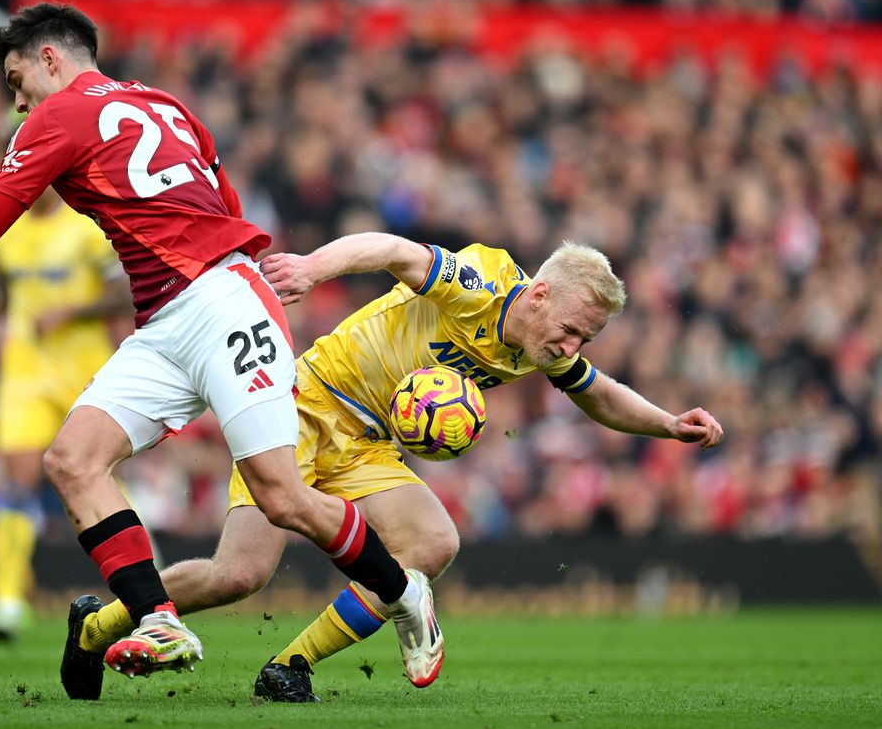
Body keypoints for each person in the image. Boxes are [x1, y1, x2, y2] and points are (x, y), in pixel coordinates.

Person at [0, 3, 442, 699]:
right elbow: (224, 201)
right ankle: (159, 620)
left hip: (220, 304)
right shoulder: (167, 103)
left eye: (19, 80)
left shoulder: (57, 117)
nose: (18, 102)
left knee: (283, 498)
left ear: (52, 58)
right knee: (71, 459)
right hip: (172, 316)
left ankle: (403, 595)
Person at [72, 232, 725, 701]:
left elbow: (599, 393)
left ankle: (290, 666)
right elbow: (393, 252)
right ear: (540, 294)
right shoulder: (482, 283)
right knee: (237, 575)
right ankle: (97, 627)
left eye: (586, 339)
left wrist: (668, 423)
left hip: (370, 441)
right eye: (574, 330)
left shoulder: (544, 345)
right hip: (303, 408)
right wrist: (313, 269)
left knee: (433, 541)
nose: (572, 347)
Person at [0, 192, 130, 640]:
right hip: (23, 374)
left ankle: (143, 581)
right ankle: (6, 600)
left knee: (97, 476)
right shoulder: (6, 227)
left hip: (83, 371)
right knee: (16, 481)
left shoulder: (86, 226)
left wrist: (73, 312)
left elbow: (122, 293)